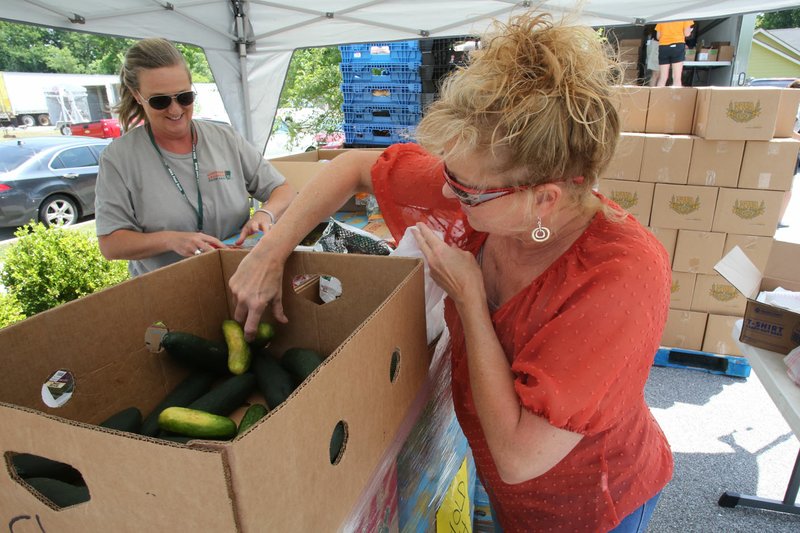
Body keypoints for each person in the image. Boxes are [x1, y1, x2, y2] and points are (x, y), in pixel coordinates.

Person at [229, 12, 673, 532]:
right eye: (449, 175)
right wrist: (266, 253)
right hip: (512, 500)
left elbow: (520, 456)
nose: (446, 195)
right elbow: (351, 167)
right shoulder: (491, 186)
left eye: (466, 190)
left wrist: (468, 298)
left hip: (592, 506)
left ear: (545, 199)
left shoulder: (620, 277)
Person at [95, 37, 295, 276]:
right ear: (137, 95)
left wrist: (265, 212)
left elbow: (282, 190)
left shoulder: (224, 138)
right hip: (171, 288)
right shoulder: (119, 159)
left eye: (184, 97)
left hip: (239, 275)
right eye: (160, 101)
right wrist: (171, 240)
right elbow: (110, 243)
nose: (175, 110)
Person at [655, 20, 694, 87]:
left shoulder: (663, 18)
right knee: (676, 78)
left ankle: (658, 96)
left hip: (663, 47)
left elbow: (658, 36)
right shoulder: (685, 17)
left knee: (663, 78)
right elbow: (687, 34)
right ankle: (675, 97)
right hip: (678, 46)